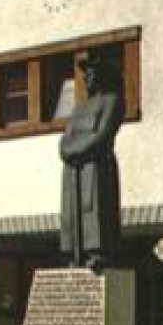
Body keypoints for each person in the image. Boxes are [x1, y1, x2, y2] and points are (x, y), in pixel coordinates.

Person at [58, 52, 125, 271]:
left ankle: (97, 254)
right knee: (72, 212)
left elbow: (103, 135)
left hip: (96, 166)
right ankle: (74, 255)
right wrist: (69, 152)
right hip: (73, 169)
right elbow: (65, 139)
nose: (87, 77)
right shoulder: (78, 108)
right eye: (85, 74)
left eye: (92, 72)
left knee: (95, 208)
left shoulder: (112, 101)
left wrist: (77, 151)